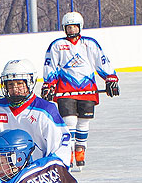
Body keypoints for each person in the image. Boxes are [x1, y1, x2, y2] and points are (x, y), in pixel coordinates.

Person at [42, 11, 119, 172]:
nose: (71, 30)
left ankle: (80, 149)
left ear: (80, 27)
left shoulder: (89, 44)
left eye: (74, 27)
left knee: (84, 122)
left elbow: (101, 62)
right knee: (69, 122)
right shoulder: (57, 45)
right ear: (64, 28)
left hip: (87, 89)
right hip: (65, 89)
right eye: (68, 28)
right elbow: (51, 66)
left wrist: (110, 78)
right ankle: (68, 152)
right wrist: (49, 85)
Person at [0, 59, 71, 164]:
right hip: (3, 174)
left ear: (30, 82)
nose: (15, 88)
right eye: (10, 84)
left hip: (37, 173)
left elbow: (61, 146)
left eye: (19, 83)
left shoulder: (45, 111)